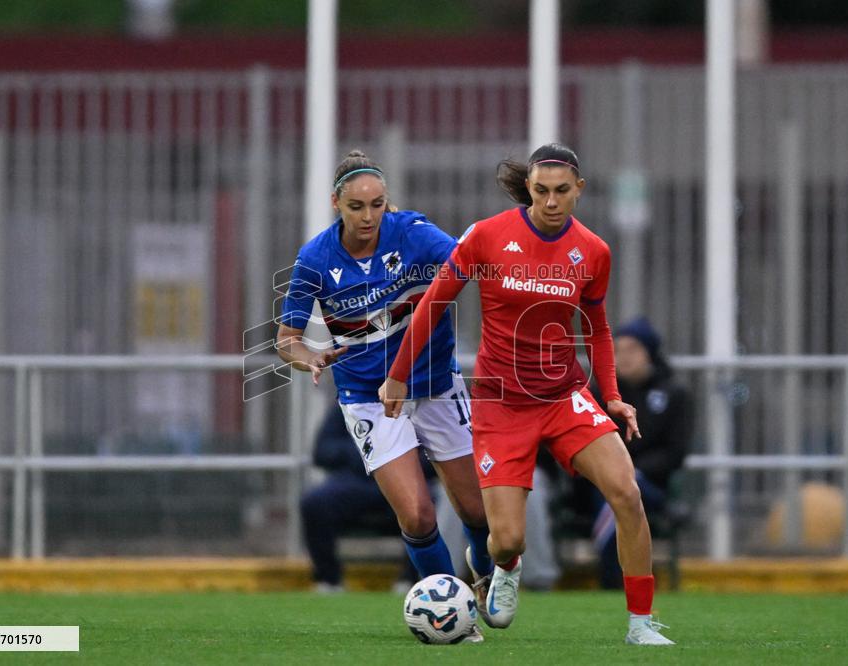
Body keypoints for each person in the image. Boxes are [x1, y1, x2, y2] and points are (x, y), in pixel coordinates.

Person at [380, 143, 674, 645]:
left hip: (564, 396)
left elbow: (598, 329)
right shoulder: (488, 236)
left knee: (627, 492)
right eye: (541, 191)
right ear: (529, 189)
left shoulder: (594, 251)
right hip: (500, 401)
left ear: (578, 190)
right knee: (506, 539)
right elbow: (431, 305)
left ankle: (641, 624)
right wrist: (398, 376)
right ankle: (507, 568)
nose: (551, 201)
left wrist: (613, 395)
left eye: (562, 191)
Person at [276, 150, 492, 642]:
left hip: (435, 384)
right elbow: (286, 338)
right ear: (336, 203)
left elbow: (467, 263)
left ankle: (487, 579)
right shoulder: (315, 258)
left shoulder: (412, 233)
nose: (369, 216)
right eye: (356, 206)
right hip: (368, 397)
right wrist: (308, 356)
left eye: (377, 204)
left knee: (477, 511)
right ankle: (452, 620)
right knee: (417, 513)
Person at [578, 316, 692, 589]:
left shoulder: (675, 394)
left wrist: (633, 470)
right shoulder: (598, 393)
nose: (623, 357)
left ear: (650, 353)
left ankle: (612, 582)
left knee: (621, 490)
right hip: (598, 484)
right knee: (613, 489)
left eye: (632, 350)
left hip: (652, 485)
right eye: (617, 350)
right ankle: (624, 585)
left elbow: (675, 452)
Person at [300, 401, 423, 593]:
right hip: (355, 483)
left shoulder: (415, 402)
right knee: (315, 502)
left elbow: (432, 455)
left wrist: (394, 459)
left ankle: (412, 581)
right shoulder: (350, 400)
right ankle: (329, 581)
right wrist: (363, 454)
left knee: (428, 505)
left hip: (404, 481)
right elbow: (323, 450)